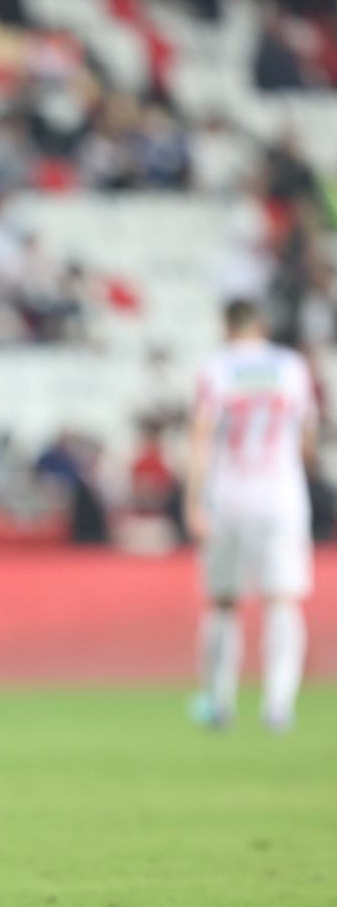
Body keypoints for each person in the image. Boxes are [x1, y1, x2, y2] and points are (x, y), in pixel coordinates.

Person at [185, 299, 317, 733]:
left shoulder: (216, 368)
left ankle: (219, 702)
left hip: (229, 495)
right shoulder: (292, 367)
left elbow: (202, 435)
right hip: (281, 496)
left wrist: (193, 501)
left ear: (227, 327)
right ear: (261, 326)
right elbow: (308, 436)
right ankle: (279, 705)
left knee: (223, 601)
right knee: (282, 599)